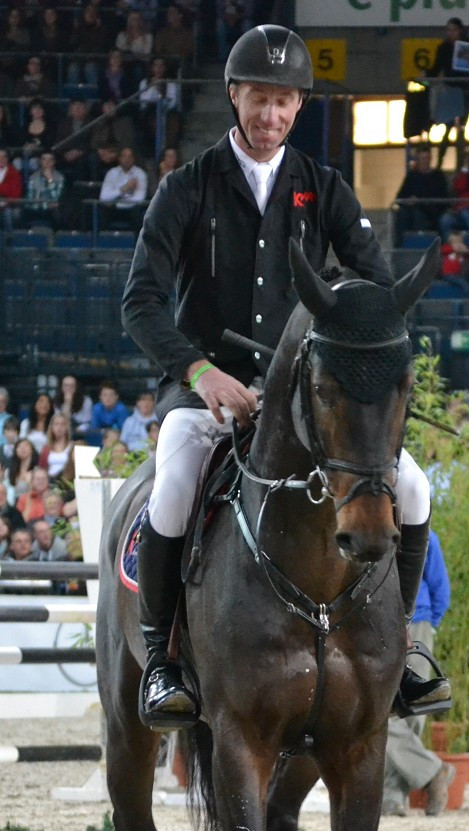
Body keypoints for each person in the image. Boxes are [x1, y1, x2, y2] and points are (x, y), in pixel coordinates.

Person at [121, 24, 451, 729]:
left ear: (300, 107)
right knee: (175, 486)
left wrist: (343, 333)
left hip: (306, 395)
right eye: (259, 99)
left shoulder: (321, 187)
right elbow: (140, 301)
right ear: (234, 94)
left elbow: (379, 288)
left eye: (285, 103)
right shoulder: (187, 188)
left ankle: (405, 655)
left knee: (414, 487)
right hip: (210, 387)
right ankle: (161, 659)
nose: (270, 116)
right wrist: (199, 370)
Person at [382, 530, 456, 817]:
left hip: (417, 623)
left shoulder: (426, 537)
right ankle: (433, 771)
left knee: (411, 712)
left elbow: (441, 589)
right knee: (382, 712)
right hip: (377, 622)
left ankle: (392, 795)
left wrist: (426, 624)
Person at [425, 18, 469, 170]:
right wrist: (426, 75)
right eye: (448, 30)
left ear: (460, 30)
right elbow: (436, 68)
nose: (450, 33)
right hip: (453, 90)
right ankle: (440, 162)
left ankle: (458, 163)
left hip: (464, 90)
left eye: (453, 30)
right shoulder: (444, 48)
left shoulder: (468, 47)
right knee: (448, 127)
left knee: (460, 127)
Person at [394, 144, 448, 247]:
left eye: (426, 158)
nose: (424, 161)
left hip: (432, 212)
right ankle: (400, 247)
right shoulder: (412, 176)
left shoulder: (438, 176)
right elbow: (400, 196)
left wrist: (422, 202)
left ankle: (420, 246)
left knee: (417, 215)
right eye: (422, 158)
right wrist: (408, 201)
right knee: (402, 214)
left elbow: (443, 197)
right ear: (417, 160)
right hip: (412, 210)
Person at [99, 146, 148, 232]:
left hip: (131, 209)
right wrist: (124, 189)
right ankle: (103, 242)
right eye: (124, 156)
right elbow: (103, 197)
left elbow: (139, 198)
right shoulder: (111, 173)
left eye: (129, 156)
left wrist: (117, 202)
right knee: (101, 211)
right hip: (113, 208)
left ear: (133, 159)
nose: (127, 159)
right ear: (119, 158)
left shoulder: (140, 174)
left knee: (138, 212)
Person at [23, 151, 65, 230]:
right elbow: (30, 198)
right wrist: (39, 204)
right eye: (44, 159)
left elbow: (56, 199)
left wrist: (50, 180)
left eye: (50, 160)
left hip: (51, 210)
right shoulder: (33, 177)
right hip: (35, 209)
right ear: (40, 161)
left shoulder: (60, 178)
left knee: (58, 214)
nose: (47, 162)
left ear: (54, 162)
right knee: (21, 213)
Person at [38, 413, 74, 482]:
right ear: (51, 427)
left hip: (68, 481)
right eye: (56, 424)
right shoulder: (46, 448)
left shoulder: (72, 447)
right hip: (50, 481)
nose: (59, 427)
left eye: (62, 424)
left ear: (67, 427)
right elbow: (41, 469)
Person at [0, 148, 23, 230]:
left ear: (7, 158)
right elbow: (7, 189)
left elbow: (15, 193)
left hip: (9, 205)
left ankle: (9, 240)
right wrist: (4, 189)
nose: (1, 159)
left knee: (8, 213)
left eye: (4, 157)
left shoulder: (14, 173)